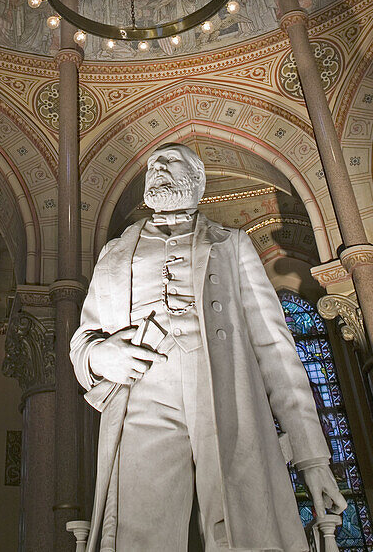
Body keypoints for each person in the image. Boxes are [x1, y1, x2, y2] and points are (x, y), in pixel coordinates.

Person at [71, 143, 346, 552]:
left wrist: (313, 458)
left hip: (225, 394)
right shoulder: (115, 252)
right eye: (153, 164)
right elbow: (84, 340)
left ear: (196, 180)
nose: (158, 167)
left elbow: (277, 351)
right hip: (143, 396)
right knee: (138, 532)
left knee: (242, 527)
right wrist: (101, 355)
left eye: (171, 161)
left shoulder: (232, 244)